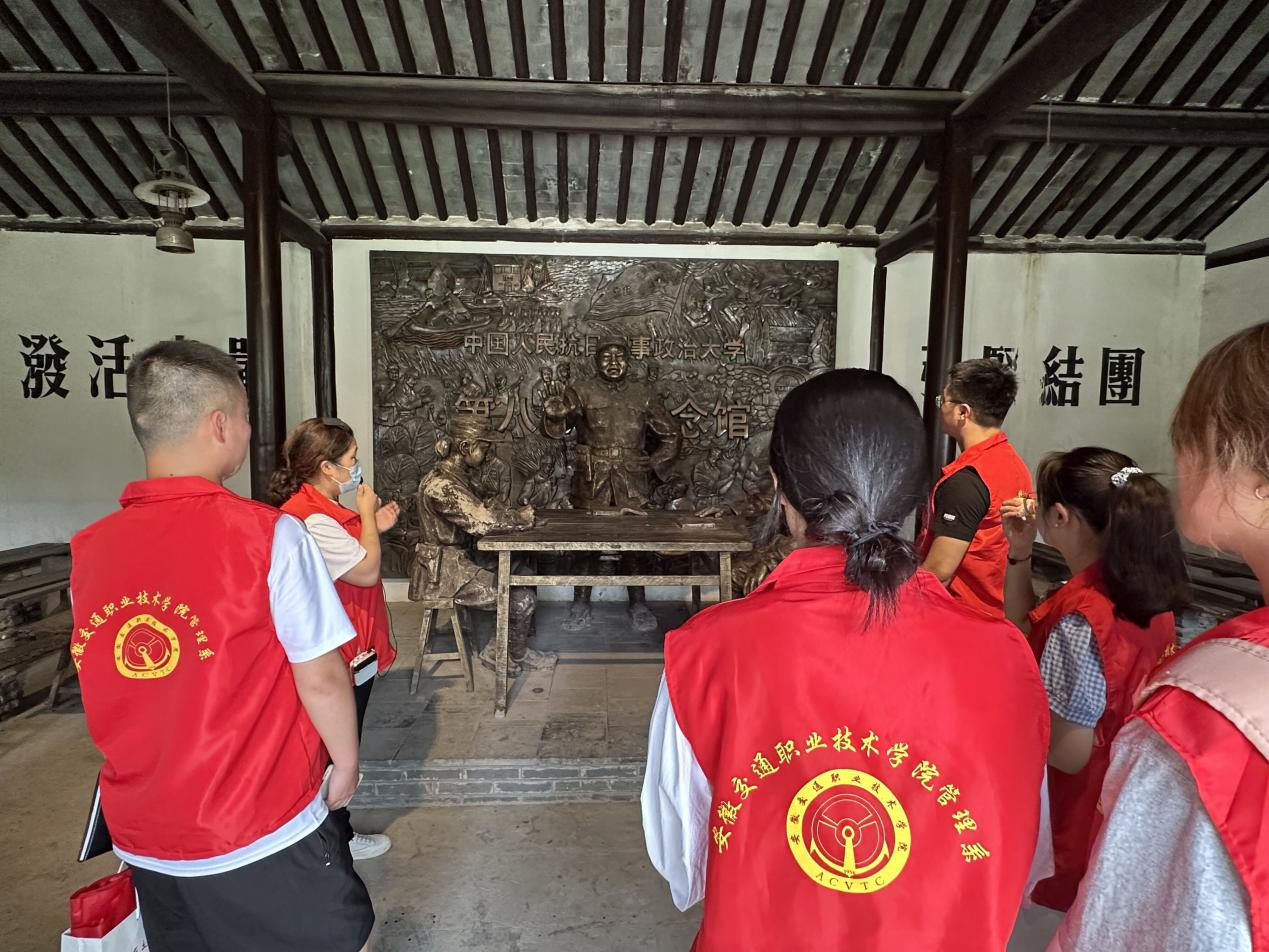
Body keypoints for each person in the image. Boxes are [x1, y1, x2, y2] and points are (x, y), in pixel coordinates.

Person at [643, 368, 1050, 951]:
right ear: (916, 494)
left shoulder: (705, 653)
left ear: (780, 487)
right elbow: (1018, 853)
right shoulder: (1005, 657)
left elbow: (682, 862)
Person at [67, 341, 373, 952]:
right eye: (247, 418)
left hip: (144, 827)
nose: (249, 433)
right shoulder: (270, 536)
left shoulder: (89, 549)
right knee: (347, 939)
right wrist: (346, 761)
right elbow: (320, 675)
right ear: (220, 424)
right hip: (259, 819)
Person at [1051, 324, 1269, 952]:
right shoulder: (1156, 600)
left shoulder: (1206, 715)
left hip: (1072, 824)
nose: (1178, 458)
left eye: (1190, 436)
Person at [1000, 448, 1189, 916]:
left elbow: (1068, 752)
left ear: (1060, 516)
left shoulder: (1081, 617)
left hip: (1075, 815)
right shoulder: (1144, 590)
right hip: (1124, 799)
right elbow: (1025, 625)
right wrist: (1020, 552)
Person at [271, 417, 400, 862]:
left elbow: (350, 551)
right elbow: (365, 571)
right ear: (327, 467)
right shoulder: (310, 518)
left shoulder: (322, 510)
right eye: (351, 459)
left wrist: (370, 524)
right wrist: (367, 517)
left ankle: (333, 836)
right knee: (332, 752)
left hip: (350, 647)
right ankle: (331, 842)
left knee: (335, 746)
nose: (356, 467)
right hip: (338, 655)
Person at [919, 358, 1032, 617]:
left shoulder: (967, 480)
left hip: (961, 617)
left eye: (943, 400)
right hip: (999, 612)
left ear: (963, 412)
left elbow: (939, 573)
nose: (940, 407)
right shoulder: (1016, 466)